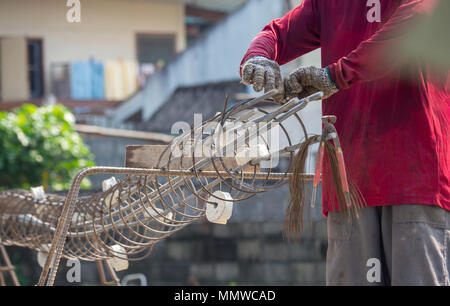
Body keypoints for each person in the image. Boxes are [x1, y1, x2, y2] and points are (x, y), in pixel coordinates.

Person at [240, 0, 449, 286]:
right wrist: (258, 56)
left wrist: (335, 75)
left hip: (413, 178)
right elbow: (277, 34)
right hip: (348, 181)